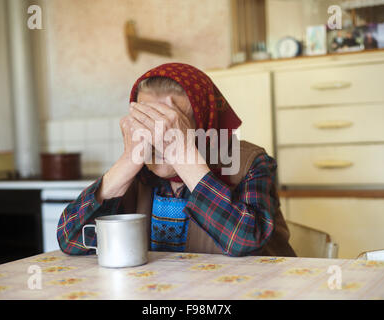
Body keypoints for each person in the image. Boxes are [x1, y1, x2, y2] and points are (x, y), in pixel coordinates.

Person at [57, 63, 296, 257]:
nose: (158, 139)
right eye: (147, 122)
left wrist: (183, 155)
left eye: (171, 125)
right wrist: (128, 161)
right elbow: (71, 240)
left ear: (204, 126)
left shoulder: (252, 163)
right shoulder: (135, 173)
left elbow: (245, 241)